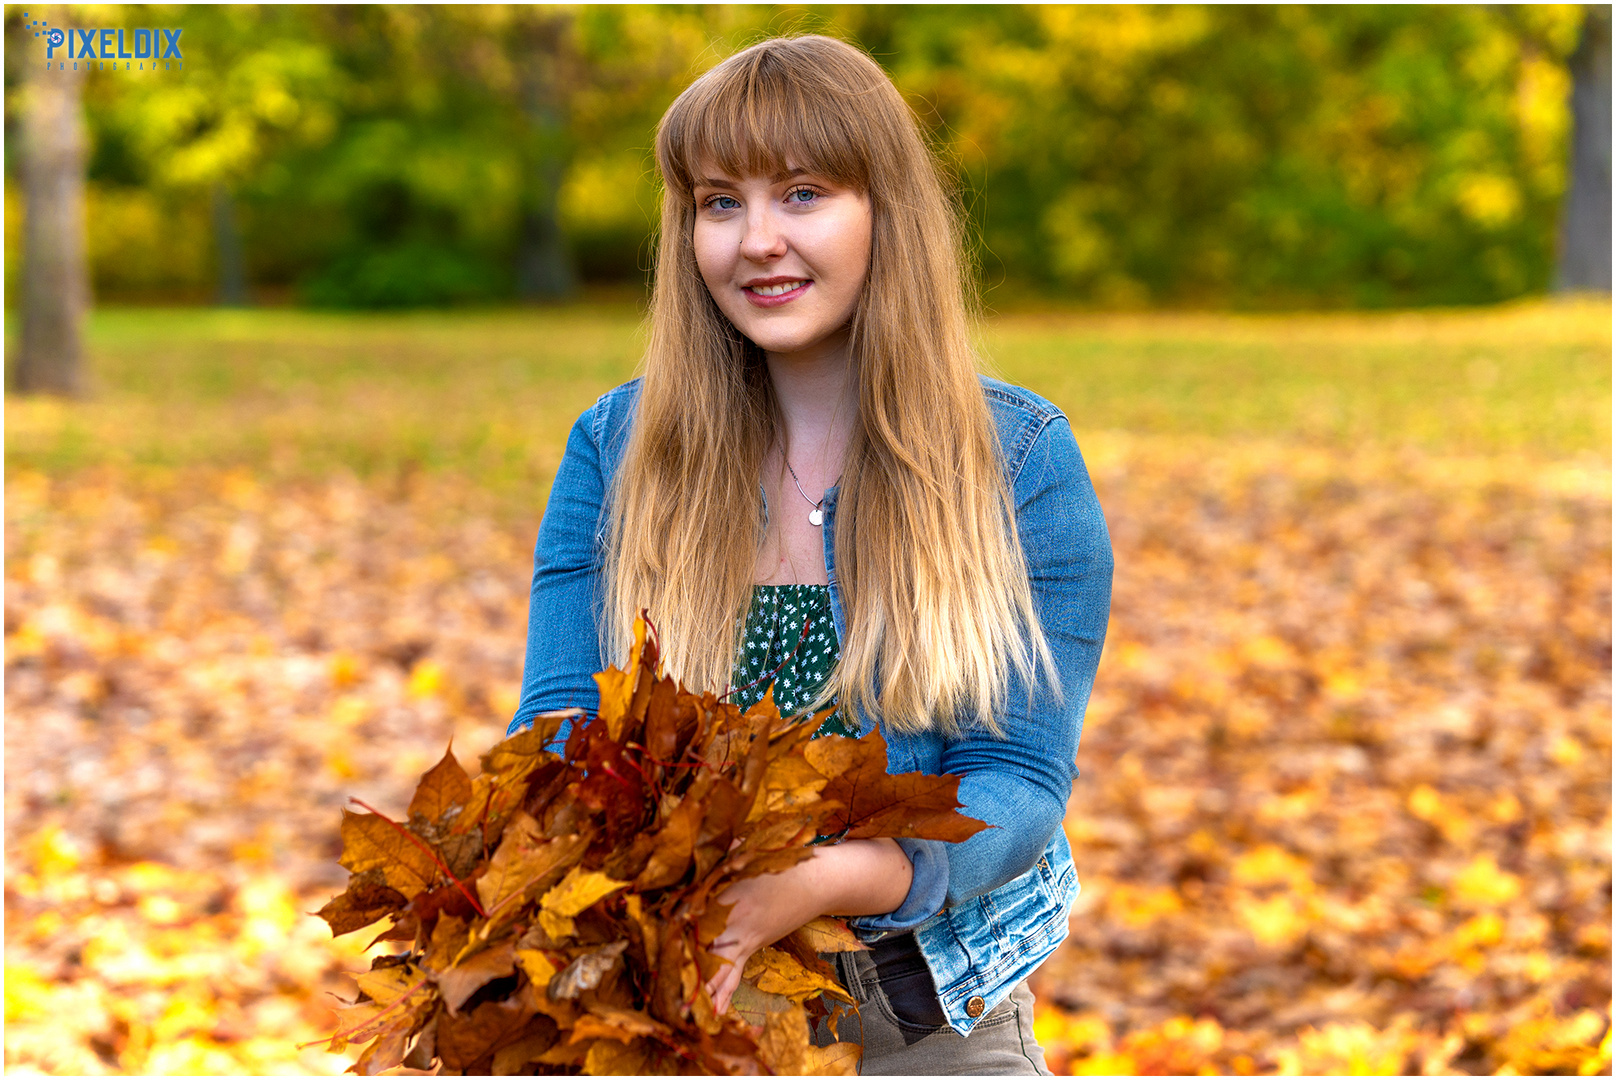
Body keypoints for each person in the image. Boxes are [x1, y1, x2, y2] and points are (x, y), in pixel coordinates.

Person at [509, 34, 1112, 1075]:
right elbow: (558, 726)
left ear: (885, 210)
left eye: (801, 193)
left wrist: (822, 881)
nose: (755, 241)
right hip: (668, 999)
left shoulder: (1014, 462)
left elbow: (1014, 780)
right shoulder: (619, 451)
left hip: (920, 1014)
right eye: (717, 202)